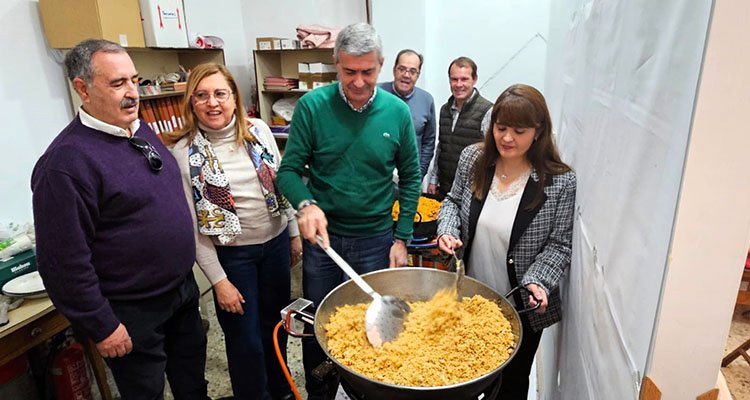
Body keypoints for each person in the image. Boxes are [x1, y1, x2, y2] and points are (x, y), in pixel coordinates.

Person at [31, 39, 207, 399]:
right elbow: (62, 262)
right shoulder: (65, 165)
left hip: (180, 292)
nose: (132, 94)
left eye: (134, 80)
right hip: (131, 310)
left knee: (193, 384)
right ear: (82, 88)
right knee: (145, 392)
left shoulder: (139, 130)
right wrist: (102, 325)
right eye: (117, 84)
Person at [276, 22, 422, 400]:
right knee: (318, 327)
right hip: (324, 243)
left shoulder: (397, 112)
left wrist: (402, 237)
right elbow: (288, 171)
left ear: (382, 65)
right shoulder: (312, 107)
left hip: (376, 240)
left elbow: (410, 176)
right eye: (349, 72)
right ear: (335, 63)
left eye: (367, 72)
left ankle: (366, 392)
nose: (358, 82)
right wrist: (306, 204)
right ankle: (321, 394)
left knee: (374, 327)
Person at [165, 63, 300, 400]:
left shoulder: (257, 130)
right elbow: (193, 228)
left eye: (221, 94)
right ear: (191, 102)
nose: (213, 103)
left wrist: (294, 232)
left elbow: (282, 181)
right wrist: (219, 281)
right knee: (246, 340)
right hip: (233, 257)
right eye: (202, 95)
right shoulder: (183, 154)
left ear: (234, 98)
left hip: (275, 245)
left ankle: (280, 390)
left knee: (275, 328)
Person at [437, 84, 576, 399]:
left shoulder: (558, 182)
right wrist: (448, 229)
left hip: (521, 308)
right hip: (469, 299)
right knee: (465, 374)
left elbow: (559, 245)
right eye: (501, 128)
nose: (507, 138)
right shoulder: (474, 158)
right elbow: (451, 202)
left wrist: (539, 282)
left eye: (519, 130)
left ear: (538, 132)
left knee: (511, 384)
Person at [428, 56, 493, 200]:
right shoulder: (445, 110)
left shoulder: (487, 111)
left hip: (472, 192)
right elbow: (442, 146)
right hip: (445, 189)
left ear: (474, 79)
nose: (458, 84)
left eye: (464, 79)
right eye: (454, 79)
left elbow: (492, 153)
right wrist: (434, 179)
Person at [378, 49, 436, 179]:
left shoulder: (427, 100)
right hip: (377, 178)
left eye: (412, 71)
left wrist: (419, 175)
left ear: (418, 75)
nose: (406, 75)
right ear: (394, 70)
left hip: (410, 177)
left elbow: (429, 141)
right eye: (402, 69)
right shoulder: (376, 93)